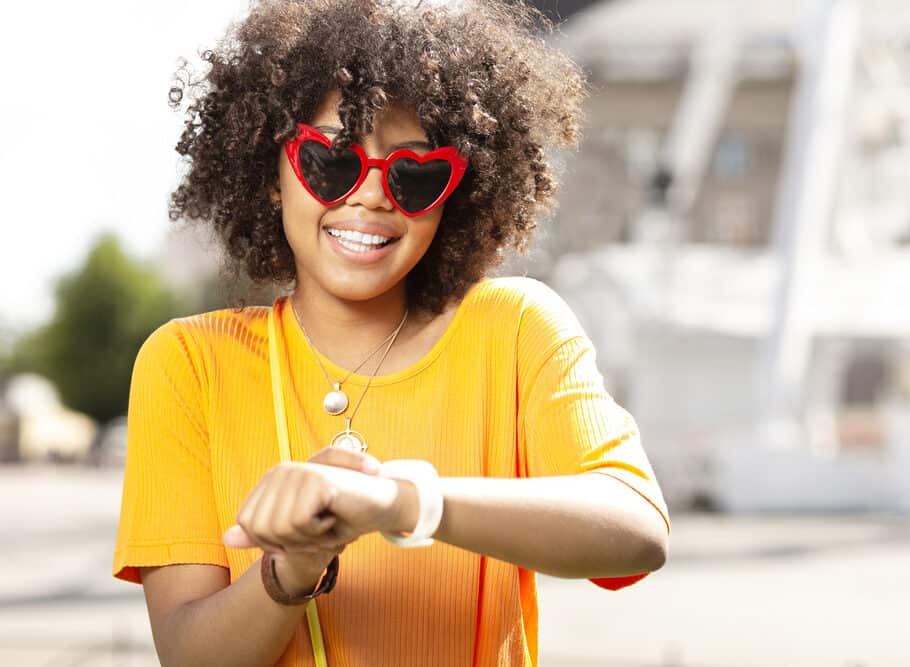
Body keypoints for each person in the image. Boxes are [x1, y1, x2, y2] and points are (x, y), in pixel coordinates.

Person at [112, 1, 671, 665]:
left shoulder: (515, 327)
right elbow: (190, 655)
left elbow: (634, 525)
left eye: (415, 173)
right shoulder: (189, 364)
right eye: (332, 162)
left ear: (456, 192)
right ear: (271, 174)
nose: (373, 195)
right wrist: (290, 570)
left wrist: (401, 501)